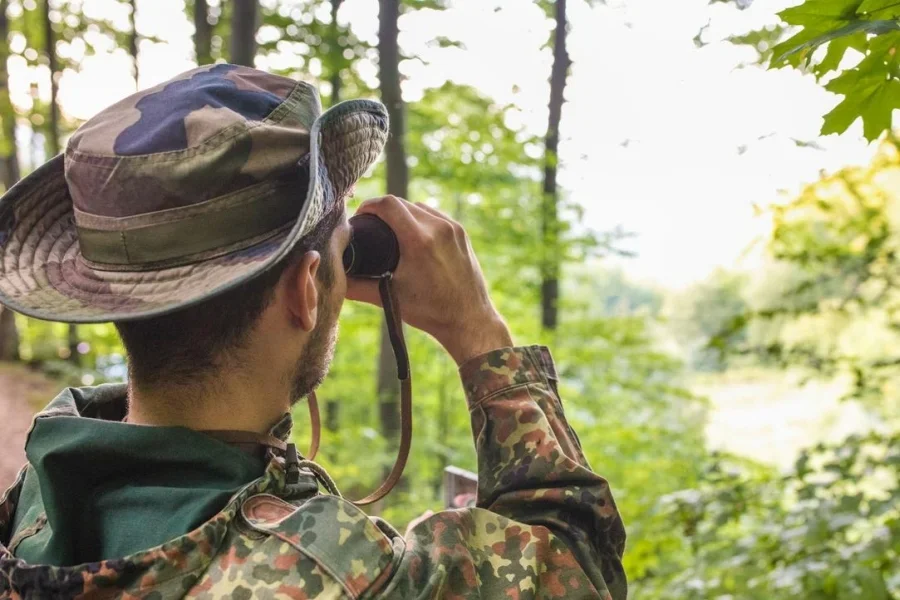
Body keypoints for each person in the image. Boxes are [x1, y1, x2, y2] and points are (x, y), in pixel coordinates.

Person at [0, 64, 626, 599]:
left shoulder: (38, 497)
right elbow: (578, 567)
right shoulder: (341, 572)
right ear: (305, 289)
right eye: (342, 251)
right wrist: (478, 329)